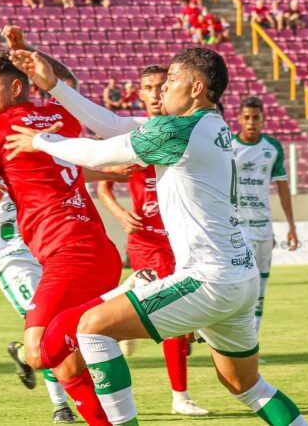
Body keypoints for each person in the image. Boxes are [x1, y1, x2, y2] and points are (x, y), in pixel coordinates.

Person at [5, 46, 308, 426]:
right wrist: (55, 87)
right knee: (246, 385)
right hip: (239, 277)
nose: (164, 87)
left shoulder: (180, 129)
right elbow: (113, 123)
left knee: (92, 329)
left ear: (197, 88)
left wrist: (41, 142)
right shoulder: (209, 125)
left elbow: (101, 154)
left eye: (173, 79)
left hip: (209, 278)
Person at [0, 31, 120, 425]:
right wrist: (28, 53)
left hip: (68, 258)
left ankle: (126, 307)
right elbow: (66, 83)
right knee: (69, 360)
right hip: (100, 253)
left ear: (16, 86)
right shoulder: (62, 117)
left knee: (38, 351)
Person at [96, 64, 210, 417]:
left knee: (184, 314)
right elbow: (104, 184)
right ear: (141, 93)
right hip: (147, 242)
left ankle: (127, 322)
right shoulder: (134, 136)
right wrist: (118, 212)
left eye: (163, 85)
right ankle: (180, 397)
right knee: (175, 313)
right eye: (149, 87)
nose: (156, 93)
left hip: (184, 240)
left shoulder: (187, 132)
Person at [0, 183, 77, 424]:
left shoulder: (35, 177)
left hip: (47, 257)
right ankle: (60, 406)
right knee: (47, 332)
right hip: (14, 264)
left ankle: (24, 354)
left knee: (66, 326)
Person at [232, 96, 298, 336]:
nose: (251, 122)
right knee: (243, 284)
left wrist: (291, 226)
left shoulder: (272, 148)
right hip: (237, 227)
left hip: (263, 228)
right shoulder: (228, 146)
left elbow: (282, 187)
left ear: (263, 119)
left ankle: (252, 340)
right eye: (247, 117)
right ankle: (230, 335)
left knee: (260, 289)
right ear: (239, 119)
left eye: (256, 118)